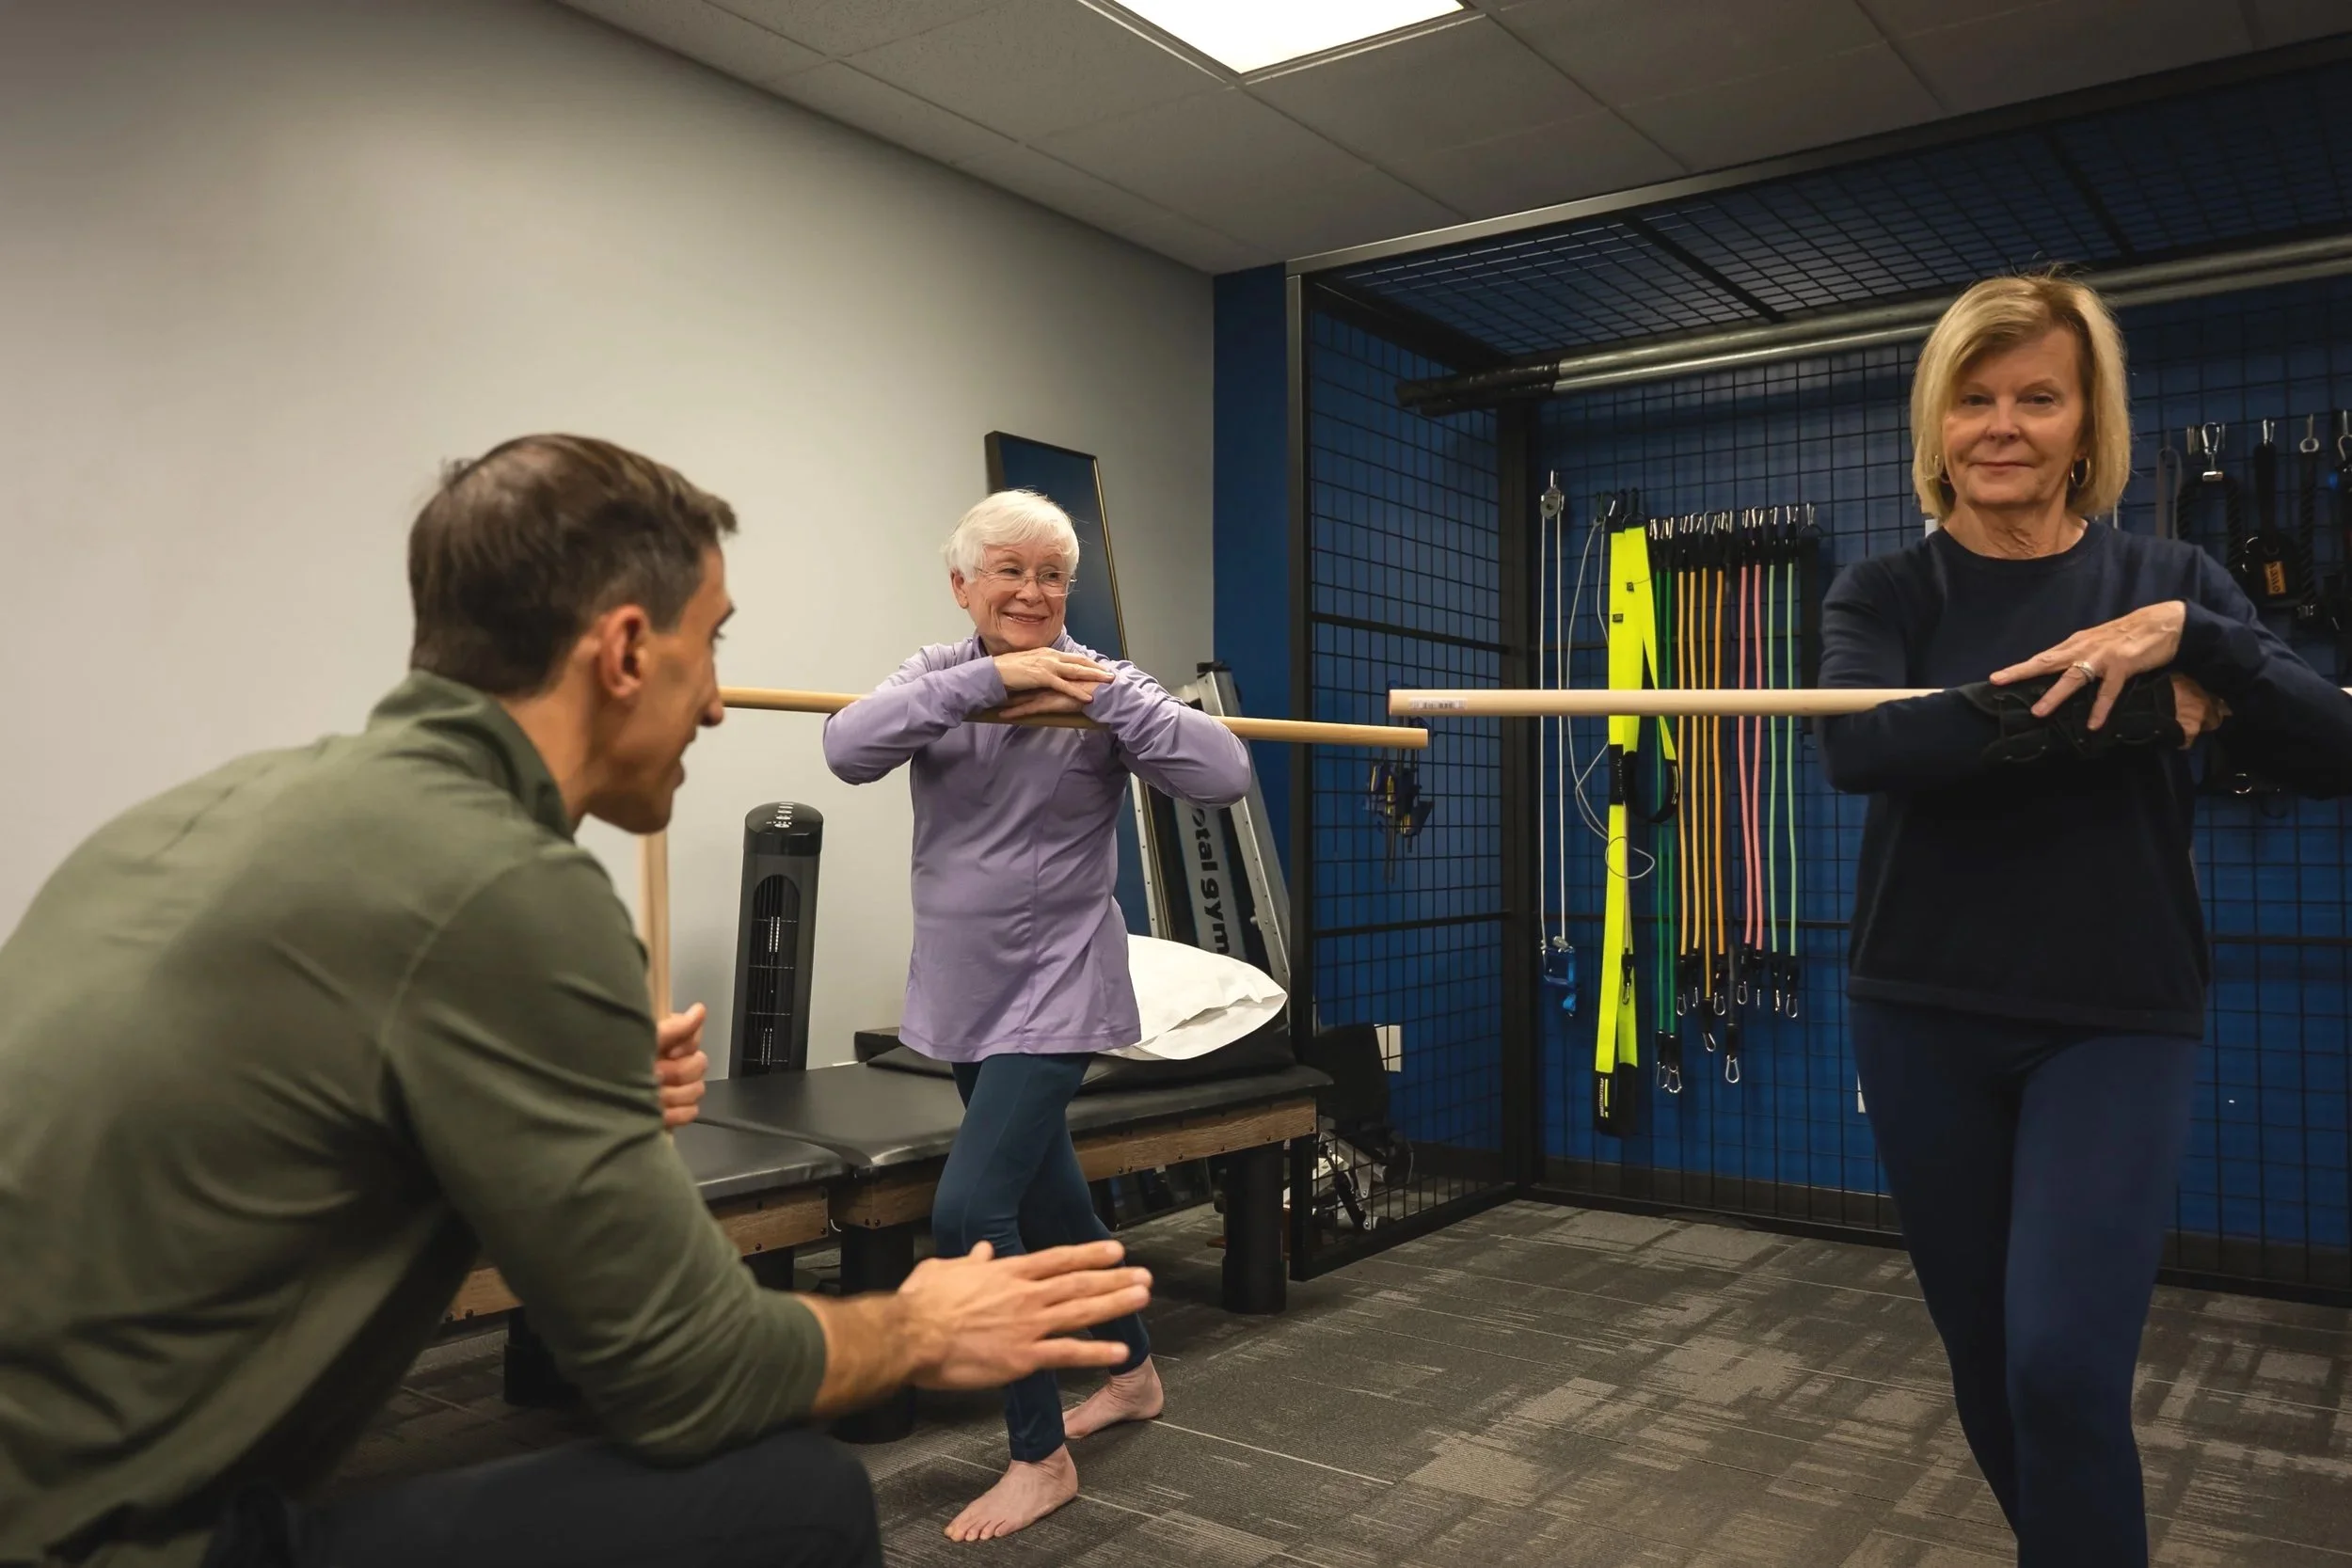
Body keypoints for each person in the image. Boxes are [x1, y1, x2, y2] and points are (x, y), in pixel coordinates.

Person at [0, 436, 1155, 1568]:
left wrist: (539, 1097)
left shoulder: (206, 808)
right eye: (710, 650)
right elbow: (685, 1373)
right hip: (111, 1538)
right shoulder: (508, 886)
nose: (712, 704)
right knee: (797, 1495)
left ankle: (1126, 1370)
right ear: (622, 651)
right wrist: (915, 1325)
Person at [1817, 274, 2352, 1566]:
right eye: (1974, 399)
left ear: (2087, 418)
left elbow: (2330, 744)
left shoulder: (2170, 575)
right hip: (1921, 1008)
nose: (2002, 426)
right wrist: (2121, 716)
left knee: (2062, 1360)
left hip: (2116, 1013)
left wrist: (2197, 642)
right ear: (1937, 423)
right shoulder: (1884, 589)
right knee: (1995, 1365)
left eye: (2038, 398)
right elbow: (1871, 750)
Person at [824, 489, 1253, 1542]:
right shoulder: (938, 675)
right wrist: (993, 679)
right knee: (1056, 1205)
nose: (1031, 591)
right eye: (1008, 571)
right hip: (963, 989)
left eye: (1051, 575)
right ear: (963, 583)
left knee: (973, 1211)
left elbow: (1224, 769)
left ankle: (1038, 1454)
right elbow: (847, 745)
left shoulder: (1105, 681)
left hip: (1059, 985)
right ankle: (1136, 1374)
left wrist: (1105, 699)